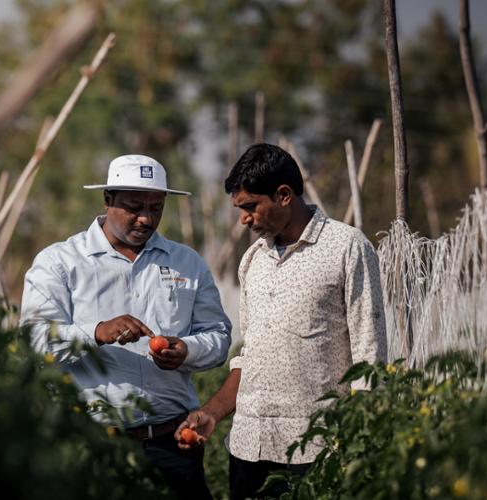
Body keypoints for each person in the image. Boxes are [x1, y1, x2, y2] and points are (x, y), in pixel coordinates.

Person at [174, 143, 387, 499]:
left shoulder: (346, 248)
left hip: (317, 447)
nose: (243, 218)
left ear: (284, 195)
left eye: (250, 207)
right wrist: (211, 413)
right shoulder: (253, 260)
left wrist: (360, 446)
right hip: (248, 446)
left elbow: (370, 357)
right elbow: (250, 358)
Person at [20, 154, 232, 499]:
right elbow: (33, 341)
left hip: (172, 444)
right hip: (92, 446)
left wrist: (187, 350)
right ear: (108, 200)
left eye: (156, 207)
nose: (146, 218)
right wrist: (95, 332)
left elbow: (220, 337)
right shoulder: (60, 263)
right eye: (134, 207)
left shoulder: (187, 262)